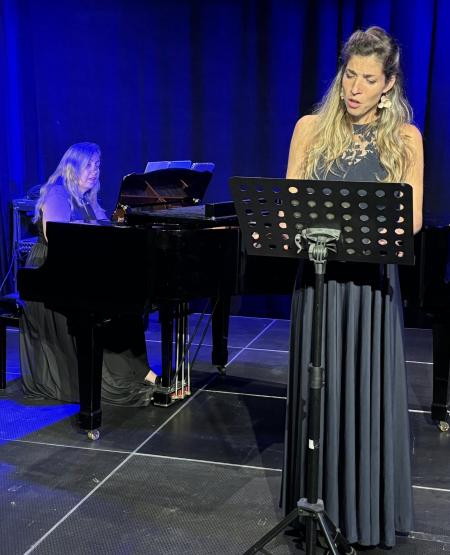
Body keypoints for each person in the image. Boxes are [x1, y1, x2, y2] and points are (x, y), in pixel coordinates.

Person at [282, 27, 423, 548]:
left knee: (364, 398)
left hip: (369, 291)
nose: (355, 89)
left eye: (368, 79)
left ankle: (362, 518)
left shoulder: (405, 139)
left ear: (388, 85)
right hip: (319, 283)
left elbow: (412, 219)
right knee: (317, 395)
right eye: (349, 76)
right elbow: (288, 206)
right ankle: (311, 508)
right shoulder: (309, 129)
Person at [19, 142, 158, 406]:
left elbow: (103, 235)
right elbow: (59, 240)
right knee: (104, 310)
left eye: (97, 165)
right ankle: (115, 378)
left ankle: (142, 371)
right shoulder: (57, 194)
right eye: (89, 165)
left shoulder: (87, 199)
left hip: (77, 272)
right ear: (72, 168)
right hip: (50, 276)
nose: (95, 171)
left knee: (126, 308)